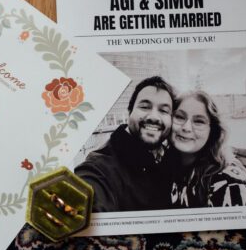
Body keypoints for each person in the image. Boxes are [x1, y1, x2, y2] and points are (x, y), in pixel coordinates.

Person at [74, 76, 175, 212]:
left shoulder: (171, 159)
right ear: (129, 112)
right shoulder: (99, 168)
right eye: (145, 107)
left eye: (164, 111)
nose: (154, 117)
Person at [167, 91, 246, 208]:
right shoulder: (170, 167)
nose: (186, 128)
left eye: (199, 121)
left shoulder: (229, 184)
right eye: (179, 117)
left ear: (213, 131)